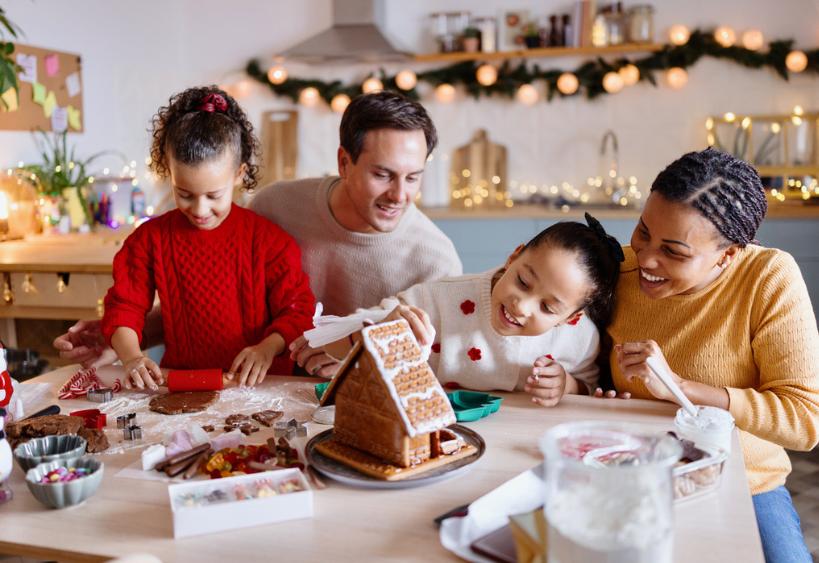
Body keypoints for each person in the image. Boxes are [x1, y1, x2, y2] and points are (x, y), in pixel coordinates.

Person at [54, 91, 461, 377]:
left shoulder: (436, 262)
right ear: (344, 162)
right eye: (383, 175)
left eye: (413, 177)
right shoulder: (278, 206)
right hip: (258, 391)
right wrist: (122, 338)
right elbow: (213, 294)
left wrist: (356, 361)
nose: (399, 195)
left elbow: (433, 373)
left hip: (344, 398)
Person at [608, 148, 819, 562]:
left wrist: (680, 387)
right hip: (629, 472)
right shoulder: (617, 268)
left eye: (674, 251)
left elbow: (806, 420)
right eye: (643, 231)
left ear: (729, 253)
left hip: (744, 483)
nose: (645, 258)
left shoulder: (768, 278)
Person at [101, 86, 314, 390]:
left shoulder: (270, 242)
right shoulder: (150, 240)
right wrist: (132, 357)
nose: (200, 210)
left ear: (239, 174)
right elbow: (124, 307)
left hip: (261, 388)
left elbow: (297, 313)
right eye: (184, 194)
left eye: (214, 195)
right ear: (169, 172)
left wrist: (267, 349)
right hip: (183, 385)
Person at [314, 215, 623, 405]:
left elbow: (591, 388)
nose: (521, 305)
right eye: (523, 282)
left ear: (570, 318)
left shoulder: (579, 337)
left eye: (547, 307)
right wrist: (381, 330)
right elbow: (328, 342)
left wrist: (567, 385)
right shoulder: (436, 300)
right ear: (513, 257)